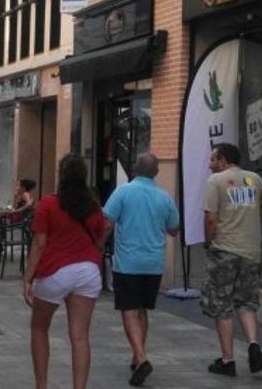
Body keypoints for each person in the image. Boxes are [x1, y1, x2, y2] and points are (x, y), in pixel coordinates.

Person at [22, 155, 112, 389]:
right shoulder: (93, 206)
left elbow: (39, 244)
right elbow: (101, 236)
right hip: (88, 271)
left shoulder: (48, 204)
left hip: (55, 270)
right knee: (80, 335)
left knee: (39, 328)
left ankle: (41, 385)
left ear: (61, 176)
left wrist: (28, 278)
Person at [102, 154, 179, 387]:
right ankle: (137, 358)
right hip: (154, 264)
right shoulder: (164, 197)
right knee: (143, 310)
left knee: (128, 310)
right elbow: (174, 230)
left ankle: (142, 357)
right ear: (156, 172)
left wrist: (97, 245)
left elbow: (107, 222)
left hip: (128, 262)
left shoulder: (122, 192)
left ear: (135, 169)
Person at [202, 143, 262, 377]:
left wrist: (208, 241)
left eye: (213, 160)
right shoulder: (254, 178)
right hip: (251, 252)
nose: (210, 164)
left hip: (225, 250)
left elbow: (211, 218)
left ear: (222, 160)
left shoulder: (216, 181)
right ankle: (253, 344)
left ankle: (227, 359)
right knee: (246, 302)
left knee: (222, 306)